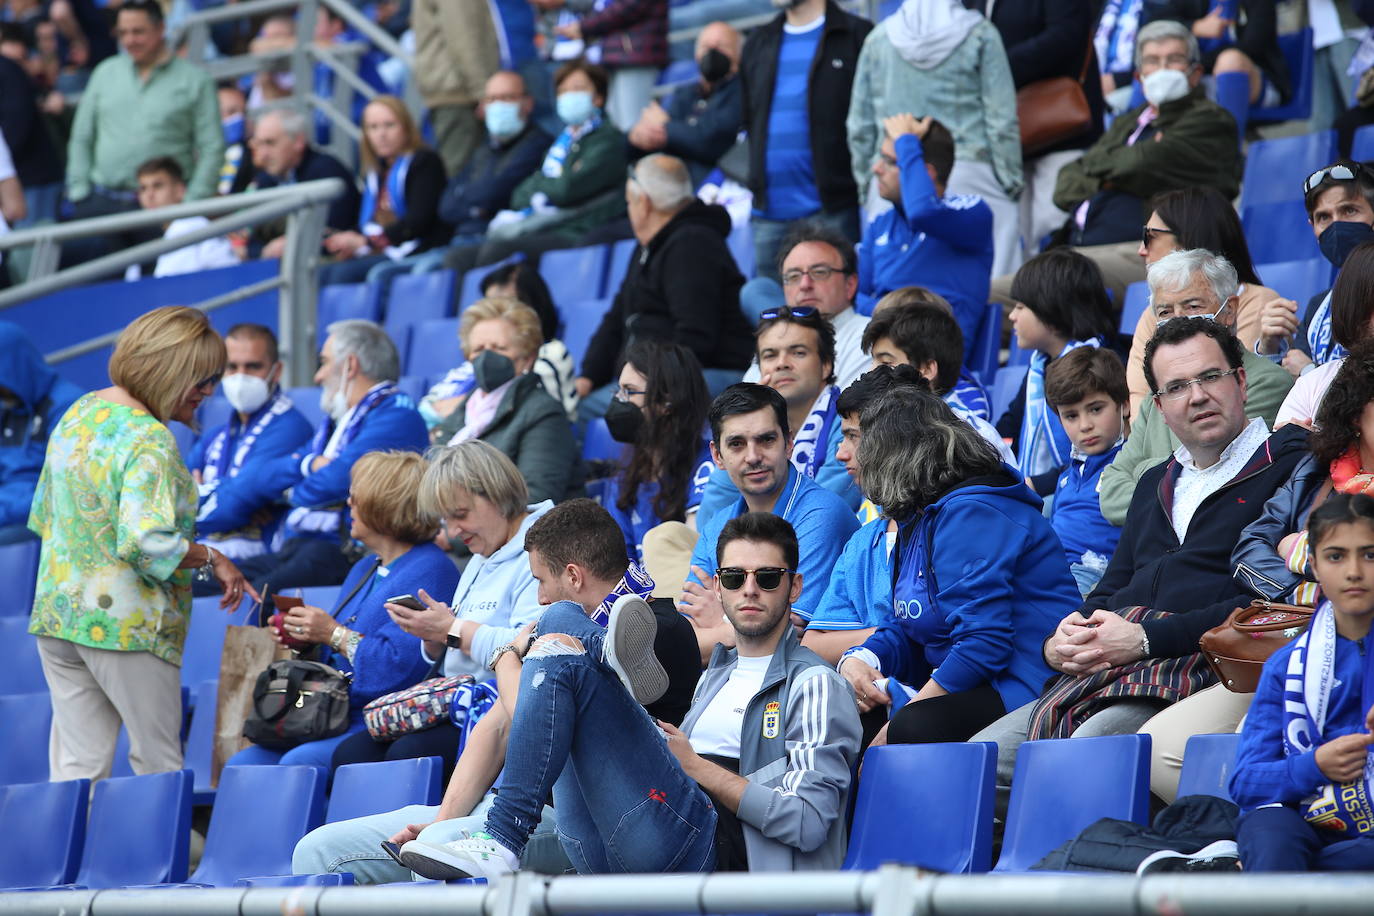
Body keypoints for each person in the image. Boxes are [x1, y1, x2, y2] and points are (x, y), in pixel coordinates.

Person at [397, 511, 861, 878]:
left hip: (715, 859)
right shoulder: (717, 675)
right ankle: (603, 657)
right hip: (619, 838)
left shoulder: (815, 684)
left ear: (794, 586)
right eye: (736, 578)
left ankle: (504, 834)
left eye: (769, 578)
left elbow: (808, 821)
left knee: (559, 626)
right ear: (718, 588)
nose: (751, 590)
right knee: (558, 630)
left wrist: (696, 766)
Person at [972, 316, 1308, 806]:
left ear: (1240, 380)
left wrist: (1146, 638)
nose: (1196, 397)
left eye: (1210, 377)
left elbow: (1270, 601)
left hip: (1197, 664)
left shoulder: (1291, 465)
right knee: (977, 759)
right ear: (1159, 408)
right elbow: (1113, 586)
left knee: (1088, 751)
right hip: (1112, 665)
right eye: (1176, 388)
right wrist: (1063, 640)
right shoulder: (1154, 482)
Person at [296, 497, 703, 882]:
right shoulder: (554, 637)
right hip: (514, 809)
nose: (539, 598)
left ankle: (493, 838)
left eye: (541, 581)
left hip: (603, 817)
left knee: (442, 849)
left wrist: (507, 655)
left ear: (574, 575)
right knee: (319, 849)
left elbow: (529, 718)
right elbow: (496, 730)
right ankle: (481, 834)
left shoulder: (658, 629)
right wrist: (445, 822)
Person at [28, 306, 254, 782]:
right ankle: (150, 860)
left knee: (76, 770)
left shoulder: (78, 413)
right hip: (126, 626)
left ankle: (74, 859)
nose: (210, 391)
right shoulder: (150, 438)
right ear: (170, 371)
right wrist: (215, 558)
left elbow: (44, 515)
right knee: (160, 769)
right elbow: (146, 542)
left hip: (59, 615)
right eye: (203, 378)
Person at [838, 384, 1079, 746]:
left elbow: (984, 643)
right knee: (847, 710)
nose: (848, 455)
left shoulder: (971, 513)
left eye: (861, 443)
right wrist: (858, 659)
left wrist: (902, 716)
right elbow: (908, 623)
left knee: (908, 728)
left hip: (1027, 682)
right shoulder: (917, 516)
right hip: (974, 678)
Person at [227, 451, 461, 769]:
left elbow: (401, 669)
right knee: (243, 764)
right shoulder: (366, 566)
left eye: (355, 498)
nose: (347, 505)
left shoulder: (431, 570)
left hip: (375, 722)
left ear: (384, 506)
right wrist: (307, 638)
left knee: (299, 764)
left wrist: (331, 633)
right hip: (330, 714)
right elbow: (340, 654)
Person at [335, 441, 552, 775]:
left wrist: (452, 630)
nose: (452, 533)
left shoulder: (543, 547)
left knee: (409, 754)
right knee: (350, 754)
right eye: (446, 521)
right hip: (455, 703)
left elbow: (530, 649)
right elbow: (452, 652)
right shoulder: (482, 557)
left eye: (460, 515)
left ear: (495, 494)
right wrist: (433, 638)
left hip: (501, 709)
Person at [1230, 493, 1374, 872]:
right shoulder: (1287, 664)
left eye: (1370, 554)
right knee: (1272, 838)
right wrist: (1314, 765)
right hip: (1300, 814)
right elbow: (1245, 782)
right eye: (1336, 556)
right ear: (1313, 565)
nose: (1354, 571)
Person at [1100, 249, 1296, 525]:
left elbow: (1212, 483)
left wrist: (1144, 470)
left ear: (1229, 310)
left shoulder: (1264, 381)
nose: (1178, 320)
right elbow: (1110, 495)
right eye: (1165, 311)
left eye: (1192, 307)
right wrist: (1165, 472)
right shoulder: (1157, 394)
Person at [234, 320, 428, 596]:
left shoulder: (396, 414)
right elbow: (262, 475)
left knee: (261, 594)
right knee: (224, 578)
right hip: (301, 545)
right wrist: (306, 465)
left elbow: (339, 479)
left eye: (323, 362)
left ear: (350, 365)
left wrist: (287, 493)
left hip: (344, 549)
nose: (318, 376)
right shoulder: (335, 423)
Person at [680, 384, 859, 661]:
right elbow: (686, 638)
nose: (753, 457)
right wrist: (735, 630)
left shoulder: (822, 515)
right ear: (717, 456)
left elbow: (784, 638)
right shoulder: (717, 525)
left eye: (766, 440)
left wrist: (721, 622)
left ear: (789, 443)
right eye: (737, 444)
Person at [846, 0, 1021, 278]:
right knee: (994, 289)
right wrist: (1010, 180)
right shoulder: (980, 33)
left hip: (891, 176)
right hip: (971, 175)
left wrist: (867, 185)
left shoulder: (878, 39)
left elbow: (859, 125)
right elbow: (1002, 118)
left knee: (894, 284)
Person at [575, 153, 753, 419]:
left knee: (586, 412)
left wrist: (648, 380)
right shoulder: (649, 245)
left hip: (706, 374)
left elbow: (695, 337)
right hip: (657, 373)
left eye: (629, 202)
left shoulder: (692, 244)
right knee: (580, 402)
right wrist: (588, 376)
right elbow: (616, 319)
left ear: (644, 203)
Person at [1052, 20, 1242, 252]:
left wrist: (1100, 171)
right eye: (1152, 60)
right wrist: (1119, 170)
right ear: (1139, 77)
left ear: (1196, 73)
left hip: (1158, 251)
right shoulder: (1128, 121)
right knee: (1015, 285)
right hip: (1080, 243)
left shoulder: (1211, 120)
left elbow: (1141, 162)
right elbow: (1066, 180)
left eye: (1174, 59)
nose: (1163, 68)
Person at [444, 60, 629, 271]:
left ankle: (498, 305)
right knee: (457, 258)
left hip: (578, 230)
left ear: (598, 97)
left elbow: (566, 189)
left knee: (498, 251)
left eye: (577, 89)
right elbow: (519, 195)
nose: (568, 96)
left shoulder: (607, 140)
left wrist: (544, 187)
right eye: (562, 91)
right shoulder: (563, 143)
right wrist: (547, 187)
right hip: (543, 226)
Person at [739, 0, 871, 281]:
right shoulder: (757, 41)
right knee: (772, 317)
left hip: (832, 208)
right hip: (767, 212)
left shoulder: (855, 34)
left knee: (834, 317)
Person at [1125, 186, 1280, 413]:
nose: (1141, 249)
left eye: (1150, 237)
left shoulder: (1257, 302)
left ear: (1187, 241)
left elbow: (1237, 392)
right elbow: (1141, 404)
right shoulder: (1151, 315)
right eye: (1166, 311)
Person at [970, 0, 1105, 259]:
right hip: (1009, 135)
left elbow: (1064, 36)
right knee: (1016, 234)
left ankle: (1058, 296)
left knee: (1053, 226)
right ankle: (1026, 295)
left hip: (1061, 128)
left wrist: (997, 65)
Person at [65, 0, 222, 218]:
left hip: (166, 208)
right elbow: (82, 137)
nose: (130, 40)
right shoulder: (105, 73)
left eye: (138, 32)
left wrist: (191, 202)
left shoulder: (195, 80)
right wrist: (80, 192)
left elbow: (212, 147)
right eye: (123, 33)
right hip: (102, 202)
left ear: (161, 29)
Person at [700, 308, 857, 518]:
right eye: (770, 355)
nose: (782, 363)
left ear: (826, 365)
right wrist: (744, 418)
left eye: (798, 352)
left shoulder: (850, 419)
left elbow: (824, 510)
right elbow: (710, 517)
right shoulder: (744, 426)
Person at [855, 113, 993, 350]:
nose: (877, 169)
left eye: (889, 161)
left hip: (934, 365)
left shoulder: (971, 211)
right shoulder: (880, 223)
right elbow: (852, 296)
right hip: (874, 354)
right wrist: (888, 311)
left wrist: (906, 140)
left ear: (924, 172)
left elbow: (922, 212)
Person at [428, 298, 584, 504]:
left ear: (527, 358)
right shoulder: (463, 412)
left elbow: (536, 501)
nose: (486, 358)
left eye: (499, 348)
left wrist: (452, 532)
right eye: (478, 349)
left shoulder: (544, 413)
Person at [187, 324, 313, 564]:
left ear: (276, 372)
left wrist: (202, 495)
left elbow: (232, 504)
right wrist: (232, 495)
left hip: (258, 564)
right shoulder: (214, 437)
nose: (241, 376)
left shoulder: (290, 428)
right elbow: (172, 496)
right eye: (232, 367)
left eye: (253, 367)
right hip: (209, 562)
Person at [997, 248, 1118, 488]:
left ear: (1050, 311)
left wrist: (1036, 485)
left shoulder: (1099, 364)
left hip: (1082, 486)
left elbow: (1099, 453)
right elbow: (1009, 424)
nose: (1012, 316)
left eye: (1021, 307)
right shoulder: (1039, 365)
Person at [1266, 163, 1374, 422]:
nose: (1336, 227)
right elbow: (1290, 393)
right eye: (1323, 217)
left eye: (1349, 210)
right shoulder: (1318, 306)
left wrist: (1308, 372)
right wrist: (1271, 347)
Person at [598, 339, 713, 564]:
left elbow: (696, 556)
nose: (619, 402)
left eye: (629, 392)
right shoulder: (623, 479)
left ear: (667, 402)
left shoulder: (707, 466)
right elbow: (618, 567)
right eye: (618, 391)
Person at [420, 264, 577, 426]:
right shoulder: (475, 361)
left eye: (509, 303)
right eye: (490, 303)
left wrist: (458, 405)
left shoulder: (551, 353)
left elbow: (521, 405)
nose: (498, 311)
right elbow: (427, 407)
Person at [319, 96, 449, 287]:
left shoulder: (425, 162)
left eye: (389, 125)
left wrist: (368, 242)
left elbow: (418, 221)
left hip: (417, 248)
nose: (381, 134)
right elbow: (368, 222)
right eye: (373, 127)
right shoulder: (375, 172)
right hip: (381, 249)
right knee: (322, 274)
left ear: (406, 128)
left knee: (343, 274)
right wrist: (345, 240)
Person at [860, 299, 1011, 460]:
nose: (871, 371)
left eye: (886, 362)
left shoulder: (974, 440)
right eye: (873, 361)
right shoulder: (877, 426)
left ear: (926, 369)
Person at [740, 221, 872, 391]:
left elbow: (844, 411)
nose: (804, 284)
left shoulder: (868, 337)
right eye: (793, 276)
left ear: (850, 284)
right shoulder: (774, 340)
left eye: (819, 273)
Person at [432, 71, 554, 250]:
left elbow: (494, 193)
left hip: (499, 241)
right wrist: (476, 209)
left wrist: (470, 201)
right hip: (462, 238)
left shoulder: (539, 143)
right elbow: (446, 207)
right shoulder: (483, 149)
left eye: (507, 98)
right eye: (491, 99)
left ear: (528, 103)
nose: (498, 105)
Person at [1044, 346, 1130, 597]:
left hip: (1095, 578)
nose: (1085, 425)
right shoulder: (1066, 478)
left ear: (1124, 405)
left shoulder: (1129, 466)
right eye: (1071, 416)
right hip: (1052, 570)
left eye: (1095, 409)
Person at [1141, 1, 1290, 132]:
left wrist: (1194, 64)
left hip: (1251, 81)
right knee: (1154, 59)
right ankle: (1143, 142)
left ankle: (1230, 149)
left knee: (1230, 60)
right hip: (1198, 78)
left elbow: (1254, 46)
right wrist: (1196, 26)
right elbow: (1154, 22)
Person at [627, 22, 744, 189]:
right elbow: (662, 134)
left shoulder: (742, 91)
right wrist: (635, 136)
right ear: (696, 54)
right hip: (670, 185)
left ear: (739, 56)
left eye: (721, 46)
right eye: (706, 46)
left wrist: (666, 127)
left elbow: (710, 140)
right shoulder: (685, 92)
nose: (712, 52)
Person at [0, 322, 82, 544]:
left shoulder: (70, 407)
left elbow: (63, 490)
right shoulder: (7, 407)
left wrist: (4, 510)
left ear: (14, 367)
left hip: (51, 520)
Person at [246, 104, 362, 260]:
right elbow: (253, 241)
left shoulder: (327, 171)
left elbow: (334, 231)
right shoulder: (265, 179)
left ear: (298, 141)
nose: (264, 154)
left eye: (270, 143)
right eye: (259, 144)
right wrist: (265, 251)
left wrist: (291, 243)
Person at [411, 0, 502, 175]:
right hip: (460, 93)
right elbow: (464, 37)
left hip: (457, 89)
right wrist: (483, 92)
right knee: (461, 176)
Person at [553, 0, 669, 132]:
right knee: (617, 124)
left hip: (634, 58)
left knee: (634, 125)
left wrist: (584, 27)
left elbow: (624, 9)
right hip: (618, 58)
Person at [123, 157, 238, 281]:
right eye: (143, 188)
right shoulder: (139, 237)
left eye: (157, 186)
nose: (149, 195)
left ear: (179, 190)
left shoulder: (198, 229)